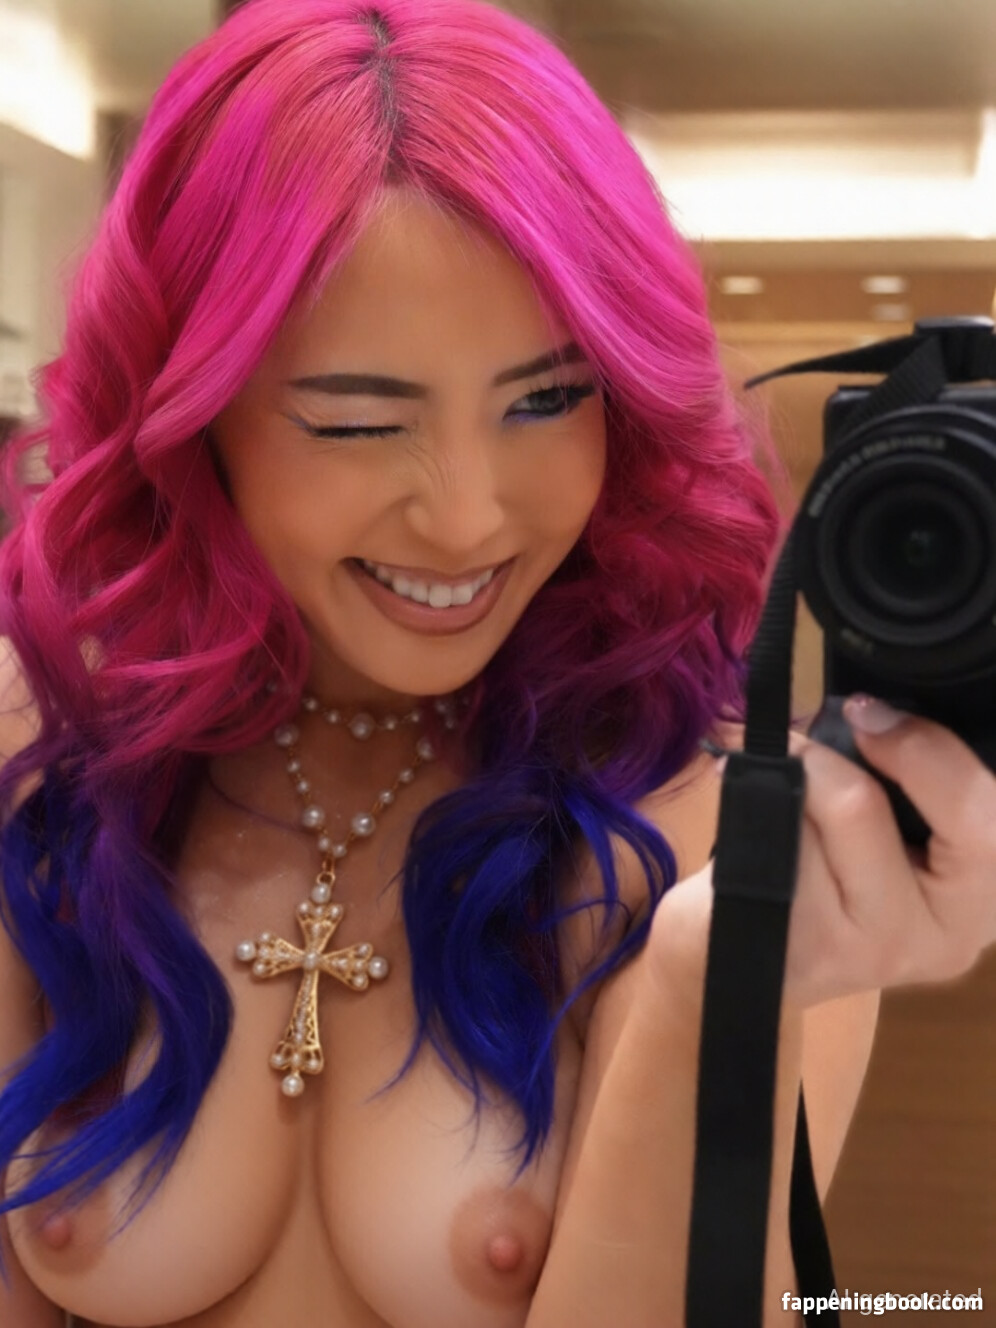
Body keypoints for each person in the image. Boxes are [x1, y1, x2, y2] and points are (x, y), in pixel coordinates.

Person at [0, 2, 993, 1325]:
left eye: (548, 398)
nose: (468, 518)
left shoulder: (702, 836)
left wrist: (702, 989)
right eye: (358, 422)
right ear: (191, 415)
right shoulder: (48, 767)